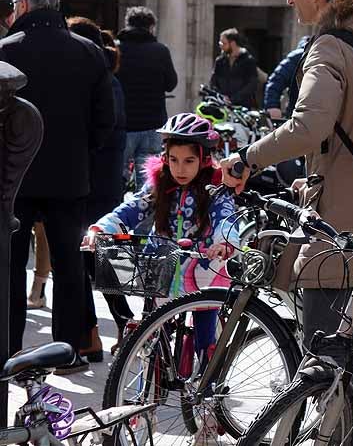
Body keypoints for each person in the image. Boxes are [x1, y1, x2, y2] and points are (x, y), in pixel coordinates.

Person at [220, 0, 353, 446]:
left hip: (342, 228)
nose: (290, 1)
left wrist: (245, 159)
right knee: (350, 357)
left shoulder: (329, 47)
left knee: (325, 356)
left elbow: (309, 125)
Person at [0, 0, 115, 374]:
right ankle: (67, 352)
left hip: (14, 179)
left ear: (24, 7)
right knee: (69, 267)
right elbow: (106, 120)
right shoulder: (88, 52)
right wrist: (82, 152)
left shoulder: (5, 51)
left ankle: (10, 351)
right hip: (70, 176)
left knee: (10, 266)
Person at [84, 113, 238, 358]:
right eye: (173, 160)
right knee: (156, 338)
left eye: (189, 161)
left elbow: (226, 219)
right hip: (162, 269)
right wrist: (101, 227)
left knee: (204, 343)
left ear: (204, 159)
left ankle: (206, 390)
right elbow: (133, 207)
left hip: (205, 272)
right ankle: (150, 386)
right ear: (165, 157)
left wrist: (224, 242)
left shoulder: (217, 188)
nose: (180, 168)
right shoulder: (159, 183)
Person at [67, 17, 134, 360]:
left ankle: (110, 329)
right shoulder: (106, 77)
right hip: (102, 182)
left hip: (94, 183)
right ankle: (108, 329)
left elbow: (98, 133)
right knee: (96, 263)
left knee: (95, 262)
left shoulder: (99, 80)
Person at [117, 6, 178, 187]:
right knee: (147, 183)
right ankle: (146, 216)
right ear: (151, 27)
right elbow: (171, 83)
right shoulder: (160, 50)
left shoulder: (117, 48)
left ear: (127, 24)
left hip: (124, 124)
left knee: (116, 179)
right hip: (152, 124)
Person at [264, 35, 311, 120]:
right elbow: (276, 80)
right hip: (297, 111)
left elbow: (275, 80)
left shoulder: (298, 56)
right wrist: (272, 105)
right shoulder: (297, 57)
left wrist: (272, 105)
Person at [210, 28, 259, 108]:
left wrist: (233, 99)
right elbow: (214, 82)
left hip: (241, 107)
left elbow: (252, 85)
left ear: (232, 43)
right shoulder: (220, 61)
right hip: (222, 105)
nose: (221, 46)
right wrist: (221, 96)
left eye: (224, 43)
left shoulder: (248, 61)